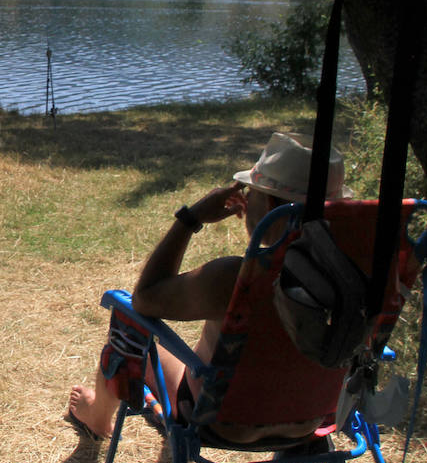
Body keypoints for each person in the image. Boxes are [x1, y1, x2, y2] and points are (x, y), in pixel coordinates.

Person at [66, 132, 353, 444]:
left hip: (222, 422)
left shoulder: (235, 278)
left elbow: (145, 299)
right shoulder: (357, 279)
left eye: (252, 191)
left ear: (269, 203)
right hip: (310, 420)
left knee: (127, 322)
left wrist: (190, 220)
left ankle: (96, 417)